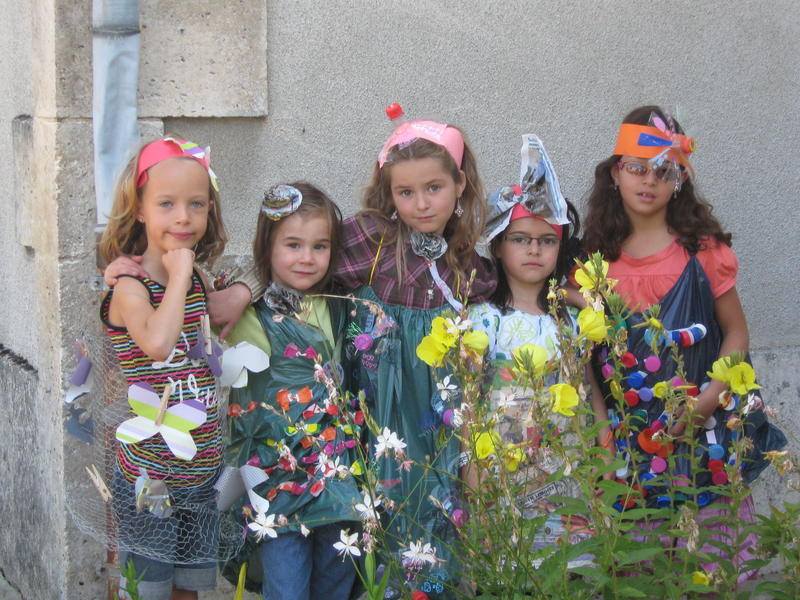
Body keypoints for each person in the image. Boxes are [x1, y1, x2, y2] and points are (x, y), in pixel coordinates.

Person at [104, 111, 496, 597]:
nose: (307, 257)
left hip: (356, 462)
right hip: (261, 477)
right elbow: (207, 303)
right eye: (405, 192)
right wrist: (151, 272)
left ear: (460, 185)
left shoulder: (402, 271)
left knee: (354, 566)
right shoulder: (234, 293)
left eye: (319, 248)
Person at [581, 105, 785, 580]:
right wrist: (602, 438)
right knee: (643, 570)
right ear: (616, 173)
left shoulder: (703, 251)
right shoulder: (596, 264)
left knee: (710, 567)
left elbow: (736, 331)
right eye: (636, 167)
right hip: (632, 444)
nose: (648, 180)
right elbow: (590, 362)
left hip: (704, 437)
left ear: (680, 180)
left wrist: (708, 401)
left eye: (664, 170)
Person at [468, 135, 610, 568]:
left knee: (570, 568)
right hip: (502, 471)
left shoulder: (567, 321)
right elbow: (470, 403)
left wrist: (606, 450)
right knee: (514, 569)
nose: (534, 249)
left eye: (547, 240)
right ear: (497, 244)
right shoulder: (484, 321)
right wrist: (473, 480)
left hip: (567, 467)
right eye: (520, 239)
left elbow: (590, 387)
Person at [98, 137, 227, 600]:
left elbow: (233, 297)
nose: (182, 218)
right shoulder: (130, 286)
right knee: (147, 590)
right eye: (166, 204)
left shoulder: (193, 276)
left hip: (201, 471)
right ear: (139, 210)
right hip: (150, 478)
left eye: (196, 204)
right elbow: (156, 343)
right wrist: (178, 275)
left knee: (190, 589)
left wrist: (236, 289)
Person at [219, 183, 361, 600]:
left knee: (338, 574)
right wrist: (248, 284)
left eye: (320, 246)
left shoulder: (339, 303)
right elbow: (193, 301)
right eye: (293, 244)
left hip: (335, 470)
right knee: (287, 580)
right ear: (268, 246)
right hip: (277, 479)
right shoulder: (244, 312)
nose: (307, 257)